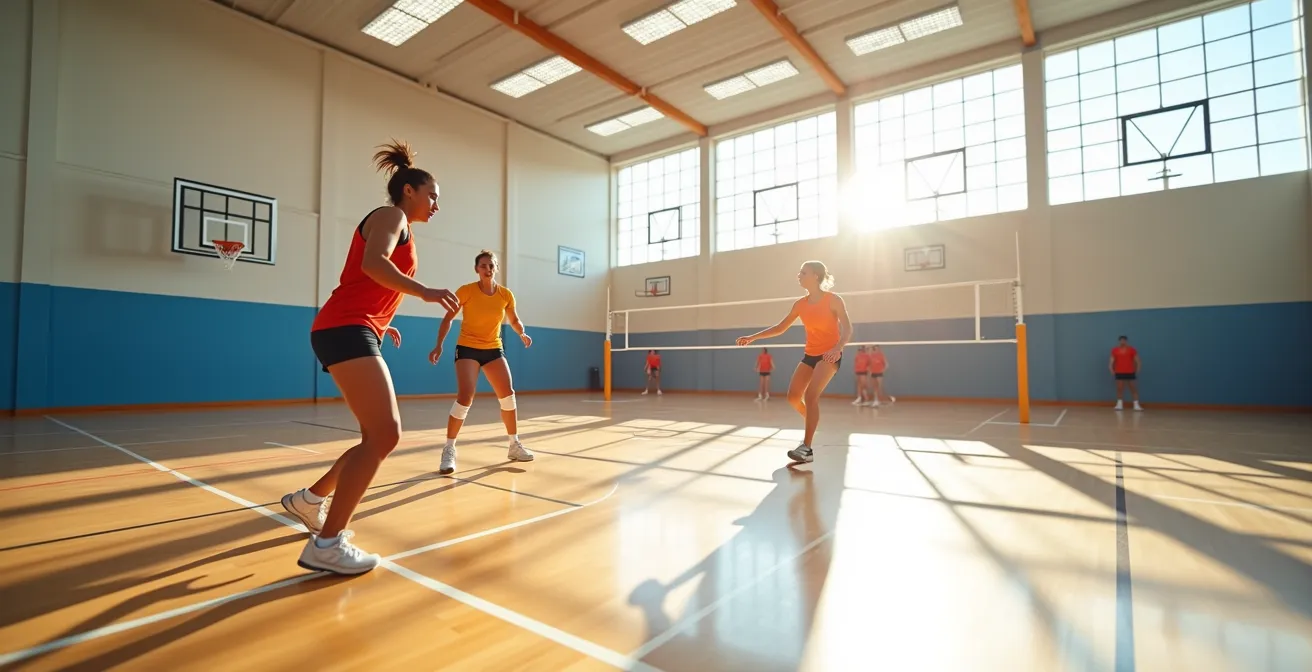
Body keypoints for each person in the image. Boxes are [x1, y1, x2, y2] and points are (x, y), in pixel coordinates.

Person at [280, 140, 460, 575]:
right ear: (409, 191)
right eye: (432, 194)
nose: (436, 203)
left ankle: (308, 501)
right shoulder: (391, 216)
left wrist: (382, 320)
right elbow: (375, 265)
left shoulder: (401, 225)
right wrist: (428, 292)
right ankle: (326, 545)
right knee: (386, 435)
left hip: (350, 327)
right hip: (345, 327)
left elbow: (375, 282)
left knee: (373, 437)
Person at [429, 250, 535, 474]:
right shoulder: (466, 291)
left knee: (507, 394)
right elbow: (448, 318)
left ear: (496, 268)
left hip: (493, 348)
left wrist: (521, 333)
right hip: (467, 348)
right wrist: (439, 345)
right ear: (476, 269)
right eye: (484, 265)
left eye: (492, 265)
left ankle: (514, 445)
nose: (488, 269)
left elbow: (514, 320)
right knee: (465, 397)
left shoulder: (505, 295)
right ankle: (449, 449)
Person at [736, 261, 852, 464]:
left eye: (803, 272)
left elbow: (848, 328)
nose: (799, 275)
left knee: (811, 395)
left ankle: (806, 448)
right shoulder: (800, 304)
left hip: (829, 355)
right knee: (793, 397)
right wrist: (753, 337)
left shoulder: (833, 300)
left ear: (815, 276)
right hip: (810, 355)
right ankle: (812, 422)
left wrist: (838, 348)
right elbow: (781, 327)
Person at [1110, 335, 1142, 411]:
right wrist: (1111, 369)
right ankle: (1119, 405)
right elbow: (1111, 361)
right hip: (1119, 371)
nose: (1122, 342)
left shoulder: (1132, 350)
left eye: (1124, 340)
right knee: (1119, 388)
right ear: (1119, 341)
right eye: (1121, 340)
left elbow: (1138, 361)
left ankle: (1136, 405)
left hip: (1130, 371)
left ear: (1126, 341)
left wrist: (1137, 370)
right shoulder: (1115, 350)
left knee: (1133, 388)